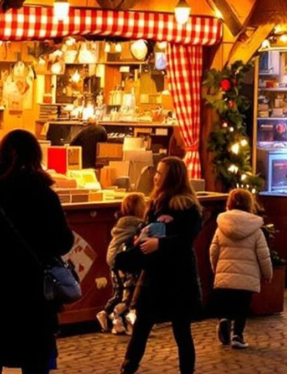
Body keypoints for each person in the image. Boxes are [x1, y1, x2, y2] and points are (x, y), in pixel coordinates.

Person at [0, 128, 75, 374]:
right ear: (35, 157)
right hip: (33, 300)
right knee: (35, 363)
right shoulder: (45, 196)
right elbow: (63, 242)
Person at [122, 156, 202, 374]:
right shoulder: (155, 203)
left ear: (171, 177)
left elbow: (186, 238)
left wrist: (160, 243)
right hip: (155, 275)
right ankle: (128, 368)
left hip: (178, 276)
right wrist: (141, 238)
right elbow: (152, 230)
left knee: (181, 330)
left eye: (160, 173)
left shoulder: (187, 207)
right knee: (142, 326)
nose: (155, 177)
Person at [208, 188, 273, 349]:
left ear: (229, 204)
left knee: (227, 303)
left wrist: (215, 267)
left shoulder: (221, 227)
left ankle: (224, 319)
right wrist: (267, 274)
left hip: (225, 275)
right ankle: (238, 335)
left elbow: (213, 250)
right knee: (242, 308)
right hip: (247, 278)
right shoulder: (256, 229)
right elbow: (263, 255)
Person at [100, 192, 149, 334]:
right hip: (126, 261)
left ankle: (107, 314)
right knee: (129, 292)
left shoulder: (121, 223)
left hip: (114, 260)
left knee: (118, 292)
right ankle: (118, 317)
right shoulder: (138, 224)